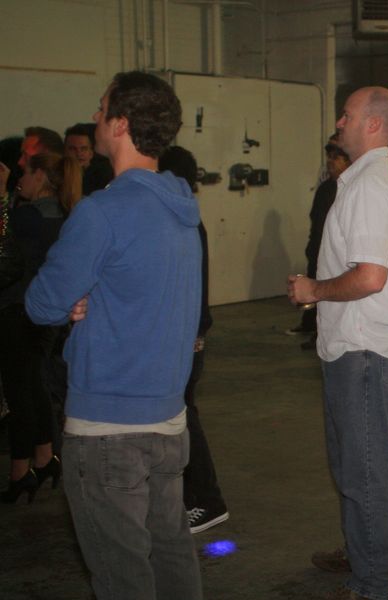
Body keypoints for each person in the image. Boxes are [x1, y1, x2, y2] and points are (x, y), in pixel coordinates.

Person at [25, 71, 203, 599]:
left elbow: (41, 303)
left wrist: (76, 298)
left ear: (121, 124)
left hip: (108, 426)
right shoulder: (182, 209)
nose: (95, 117)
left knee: (122, 576)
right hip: (168, 421)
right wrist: (89, 294)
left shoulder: (102, 212)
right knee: (171, 557)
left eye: (102, 109)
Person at [287, 85, 388, 600]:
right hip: (350, 348)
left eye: (347, 115)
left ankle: (372, 583)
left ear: (373, 125)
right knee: (350, 466)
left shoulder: (370, 186)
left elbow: (370, 277)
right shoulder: (359, 180)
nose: (339, 122)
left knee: (364, 473)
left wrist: (313, 291)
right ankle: (362, 552)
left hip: (362, 351)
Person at [0, 152, 80, 503]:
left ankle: (20, 472)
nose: (20, 180)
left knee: (19, 393)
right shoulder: (62, 215)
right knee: (35, 385)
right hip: (45, 314)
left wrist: (2, 198)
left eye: (25, 173)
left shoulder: (27, 217)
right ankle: (45, 458)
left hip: (17, 311)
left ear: (41, 178)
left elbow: (4, 252)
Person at [159, 145, 230, 534]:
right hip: (188, 333)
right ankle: (195, 496)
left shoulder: (183, 222)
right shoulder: (185, 219)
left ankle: (206, 500)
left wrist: (196, 330)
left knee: (185, 417)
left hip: (186, 336)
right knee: (180, 416)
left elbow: (190, 286)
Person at [296, 141, 351, 351]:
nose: (330, 162)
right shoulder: (326, 188)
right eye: (329, 157)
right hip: (319, 250)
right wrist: (312, 248)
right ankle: (319, 333)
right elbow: (316, 220)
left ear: (347, 162)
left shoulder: (351, 188)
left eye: (336, 158)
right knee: (318, 293)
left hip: (339, 255)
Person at [64, 123, 114, 196]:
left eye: (83, 149)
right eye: (73, 149)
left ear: (91, 153)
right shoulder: (57, 175)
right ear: (65, 152)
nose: (79, 154)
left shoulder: (104, 176)